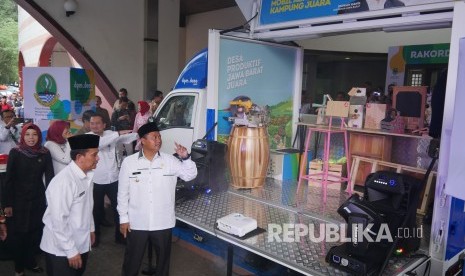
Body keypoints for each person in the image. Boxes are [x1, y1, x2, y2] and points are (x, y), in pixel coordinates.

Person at [117, 122, 197, 276]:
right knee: (132, 261)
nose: (159, 140)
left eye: (159, 136)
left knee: (163, 262)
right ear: (143, 141)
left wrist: (186, 158)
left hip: (162, 222)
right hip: (137, 222)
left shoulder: (170, 161)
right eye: (154, 137)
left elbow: (189, 175)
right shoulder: (129, 163)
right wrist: (123, 219)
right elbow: (122, 193)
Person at [40, 134, 100, 276]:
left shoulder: (87, 175)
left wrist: (91, 229)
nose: (98, 158)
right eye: (94, 155)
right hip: (61, 249)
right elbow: (58, 221)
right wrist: (71, 250)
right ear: (79, 158)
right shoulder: (64, 182)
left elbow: (87, 206)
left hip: (80, 242)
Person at [3, 123, 54, 276]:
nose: (31, 138)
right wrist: (7, 204)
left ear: (39, 136)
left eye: (34, 135)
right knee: (19, 235)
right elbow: (9, 180)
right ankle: (19, 268)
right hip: (18, 201)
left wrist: (51, 201)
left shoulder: (44, 153)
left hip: (37, 199)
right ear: (23, 136)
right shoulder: (16, 152)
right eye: (28, 135)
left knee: (34, 233)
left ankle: (30, 262)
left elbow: (50, 178)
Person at [88, 113, 137, 247]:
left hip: (114, 178)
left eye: (97, 123)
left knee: (119, 208)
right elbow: (100, 143)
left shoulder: (110, 133)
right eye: (92, 123)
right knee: (96, 210)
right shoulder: (88, 137)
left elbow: (125, 138)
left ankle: (121, 237)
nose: (94, 126)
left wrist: (140, 134)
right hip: (96, 180)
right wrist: (118, 134)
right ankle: (95, 238)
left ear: (104, 125)